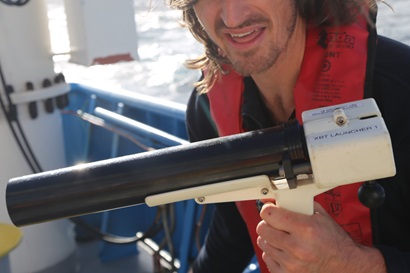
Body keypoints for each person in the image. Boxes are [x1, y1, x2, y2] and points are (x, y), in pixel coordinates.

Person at [168, 0, 410, 272]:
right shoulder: (206, 108)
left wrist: (355, 264)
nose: (233, 18)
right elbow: (232, 232)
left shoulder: (401, 89)